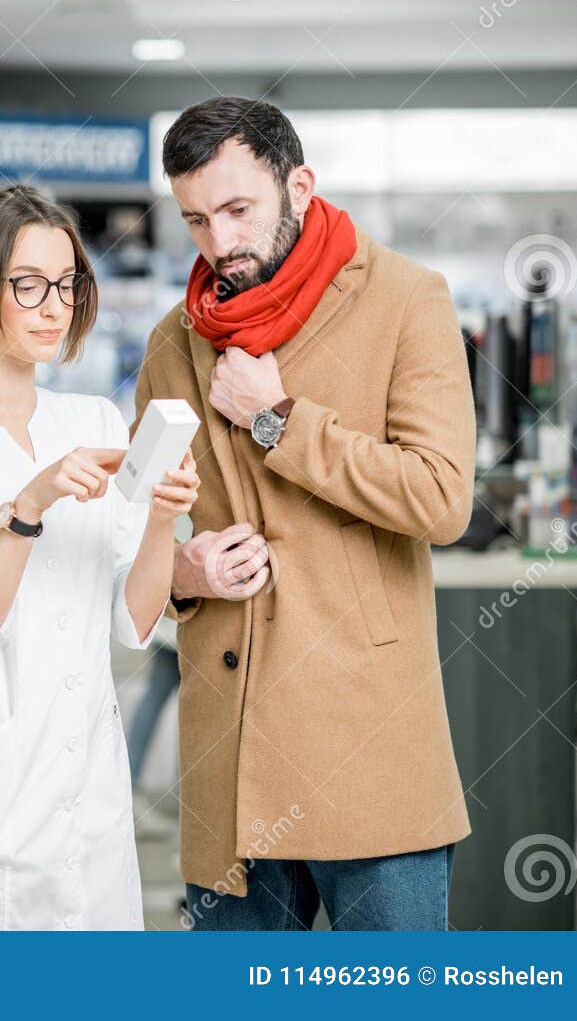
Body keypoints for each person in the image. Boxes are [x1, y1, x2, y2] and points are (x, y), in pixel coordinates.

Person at [139, 96, 475, 930]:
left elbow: (440, 497)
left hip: (366, 747)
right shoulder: (173, 341)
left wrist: (278, 418)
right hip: (231, 760)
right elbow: (138, 528)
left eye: (238, 210)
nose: (219, 244)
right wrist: (184, 571)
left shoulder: (407, 299)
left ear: (300, 185)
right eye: (195, 221)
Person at [0, 185, 199, 930]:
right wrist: (26, 511)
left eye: (67, 283)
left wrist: (161, 522)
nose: (55, 306)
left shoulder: (92, 419)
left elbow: (131, 621)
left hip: (86, 802)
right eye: (27, 284)